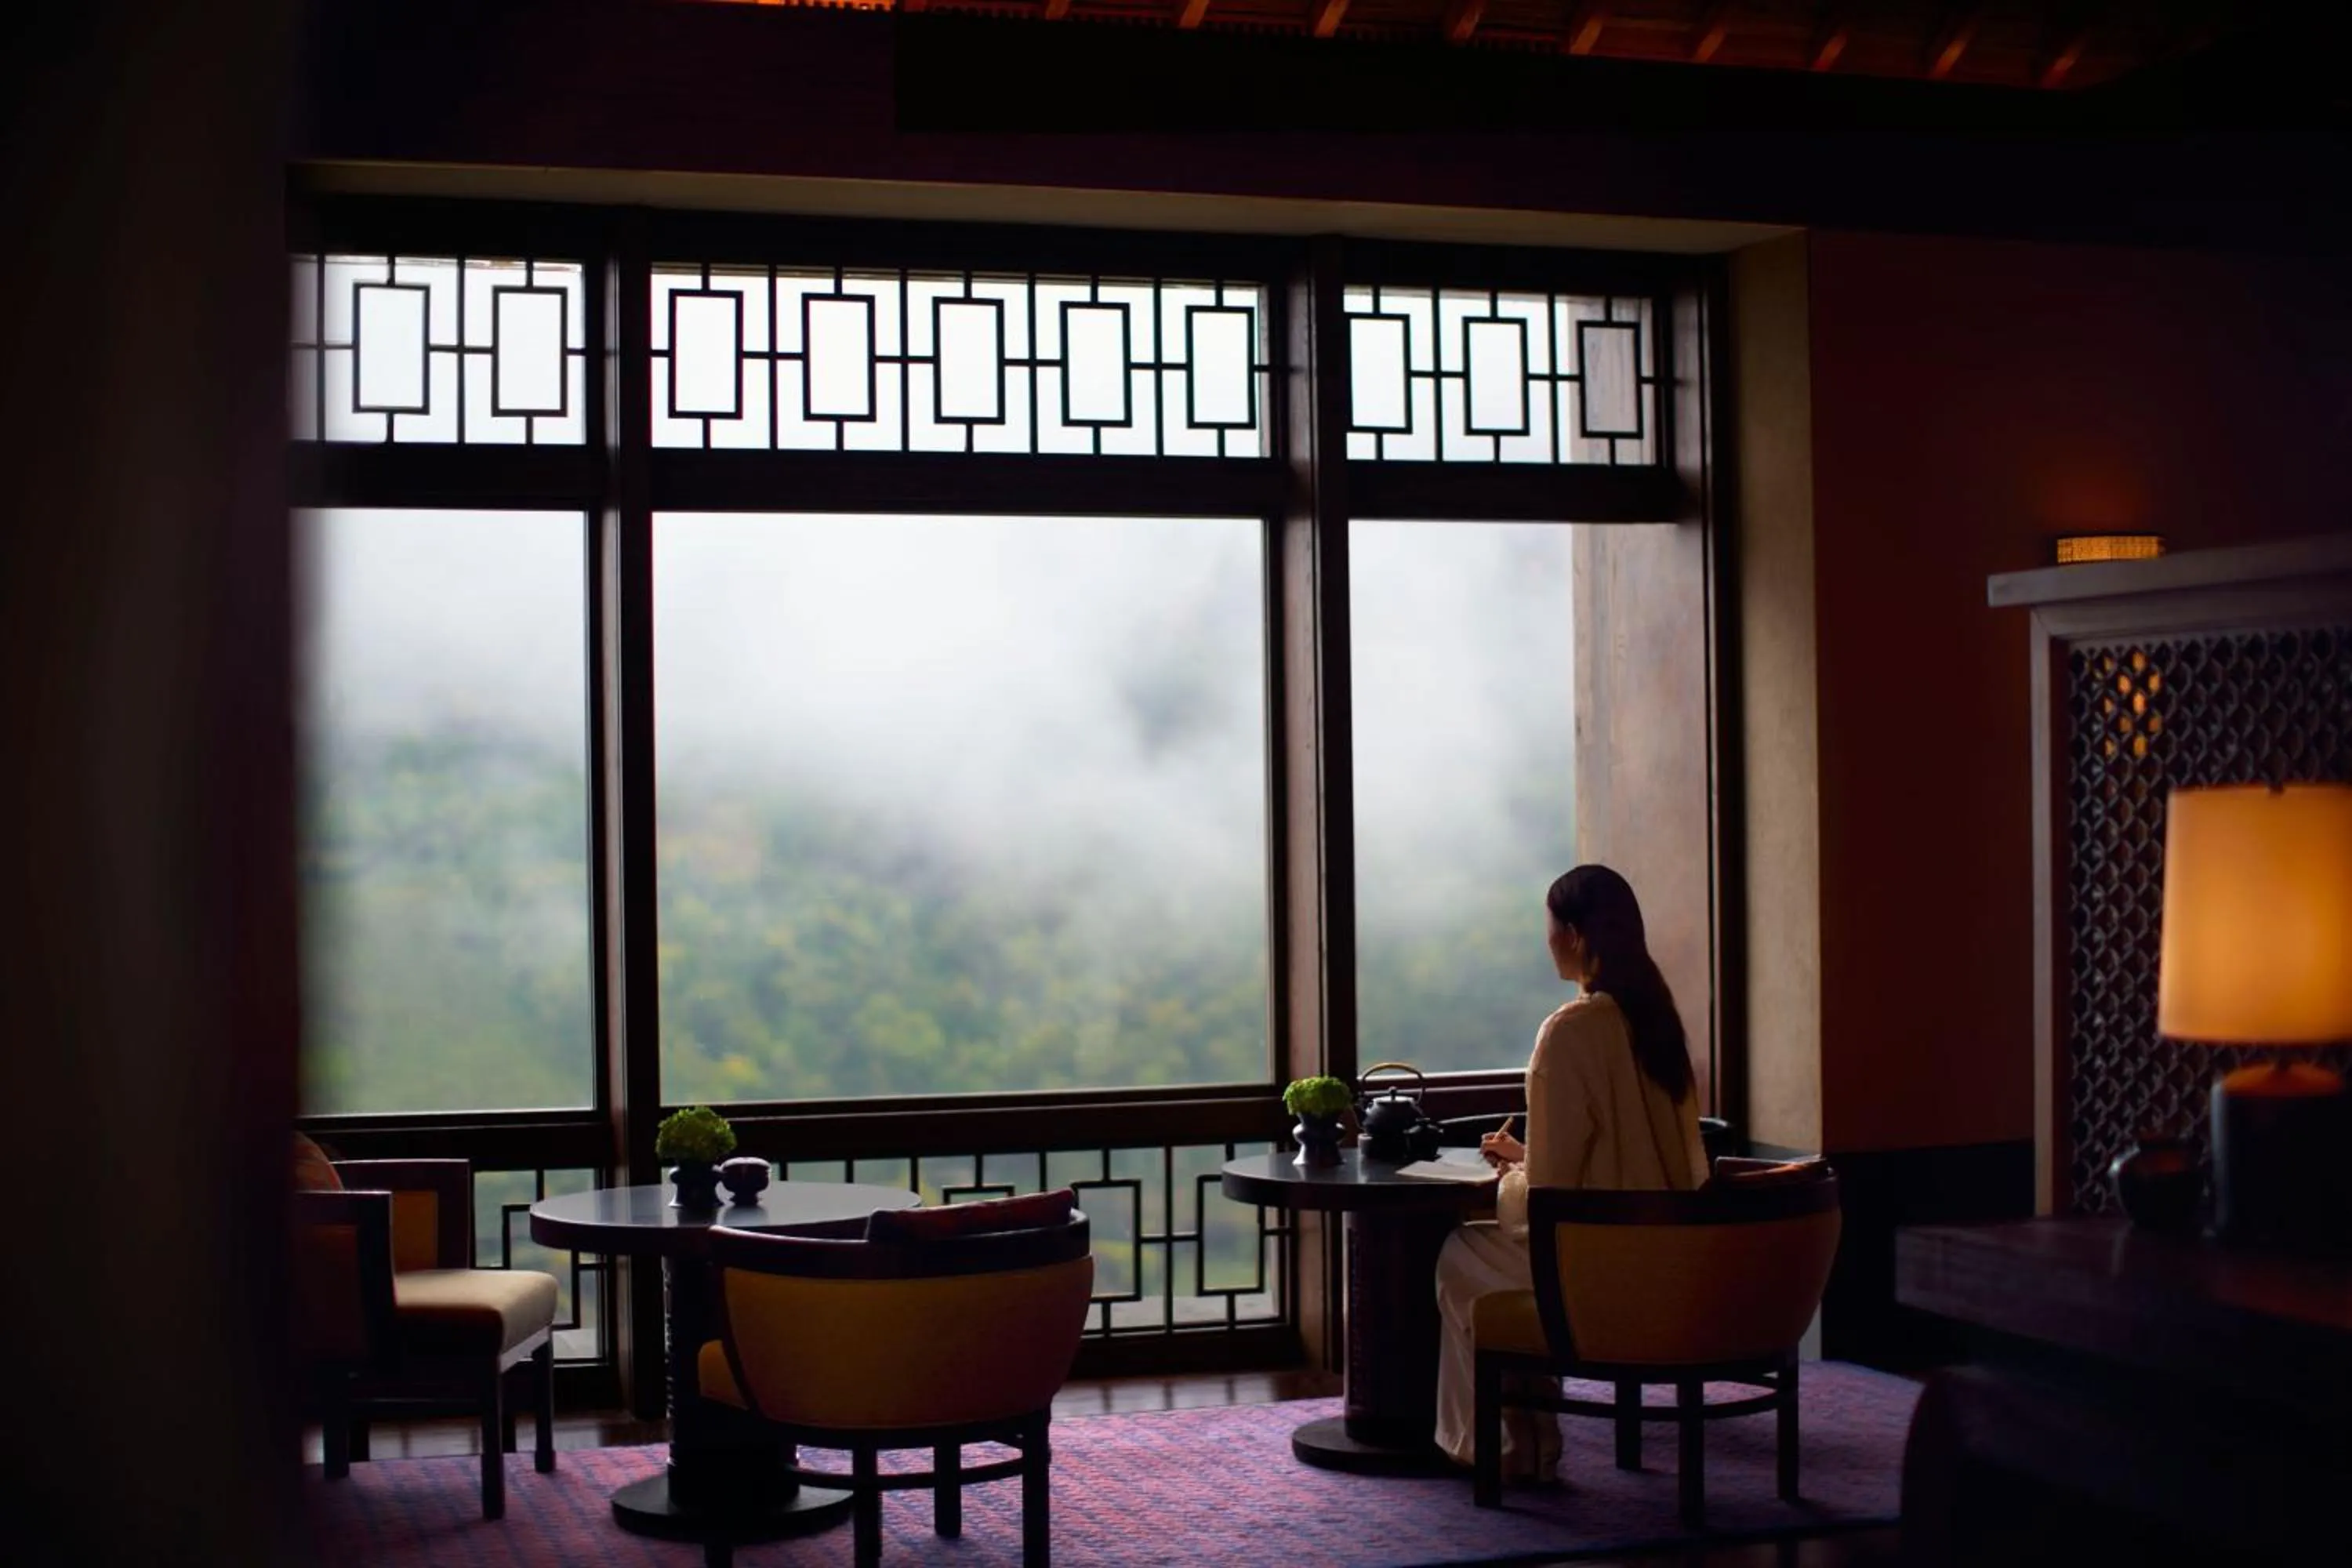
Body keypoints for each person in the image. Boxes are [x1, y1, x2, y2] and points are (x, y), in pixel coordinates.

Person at [1431, 864, 1709, 1479]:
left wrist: (1510, 1177)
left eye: (1551, 927)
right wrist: (1526, 1158)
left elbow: (1550, 1202)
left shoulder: (1571, 1031)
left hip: (1598, 1263)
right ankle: (1530, 1437)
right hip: (1670, 1258)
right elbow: (1635, 1164)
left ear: (1577, 935)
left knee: (1460, 1253)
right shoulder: (1658, 1023)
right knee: (1494, 1269)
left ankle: (1500, 1445)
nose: (1548, 940)